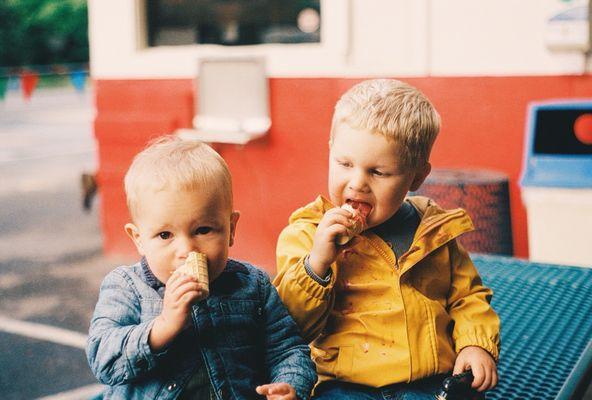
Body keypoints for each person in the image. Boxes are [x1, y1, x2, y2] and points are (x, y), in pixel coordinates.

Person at [274, 79, 500, 399]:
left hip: (431, 381)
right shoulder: (307, 234)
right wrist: (317, 263)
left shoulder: (435, 232)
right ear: (330, 151)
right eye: (344, 163)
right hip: (345, 386)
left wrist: (476, 345)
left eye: (378, 172)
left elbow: (468, 298)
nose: (357, 183)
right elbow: (291, 326)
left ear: (417, 176)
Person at [86, 136, 316, 400]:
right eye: (165, 235)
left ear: (231, 229)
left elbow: (288, 349)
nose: (186, 250)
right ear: (138, 238)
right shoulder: (127, 287)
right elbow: (103, 359)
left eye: (203, 230)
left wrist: (290, 385)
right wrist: (162, 327)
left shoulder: (253, 286)